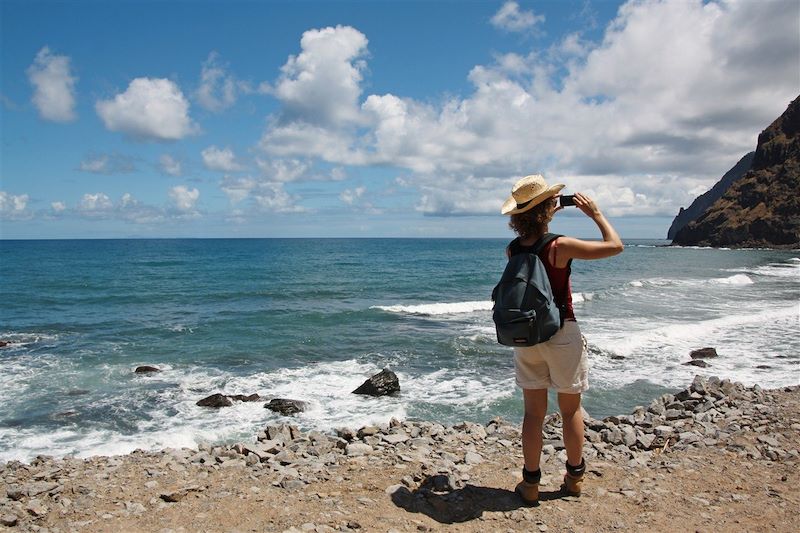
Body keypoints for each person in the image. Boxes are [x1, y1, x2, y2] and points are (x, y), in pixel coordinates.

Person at [499, 174, 624, 504]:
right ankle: (573, 478)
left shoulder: (512, 250)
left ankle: (530, 485)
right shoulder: (560, 245)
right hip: (561, 332)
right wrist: (595, 214)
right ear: (547, 210)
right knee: (570, 411)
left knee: (533, 414)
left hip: (526, 336)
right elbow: (615, 246)